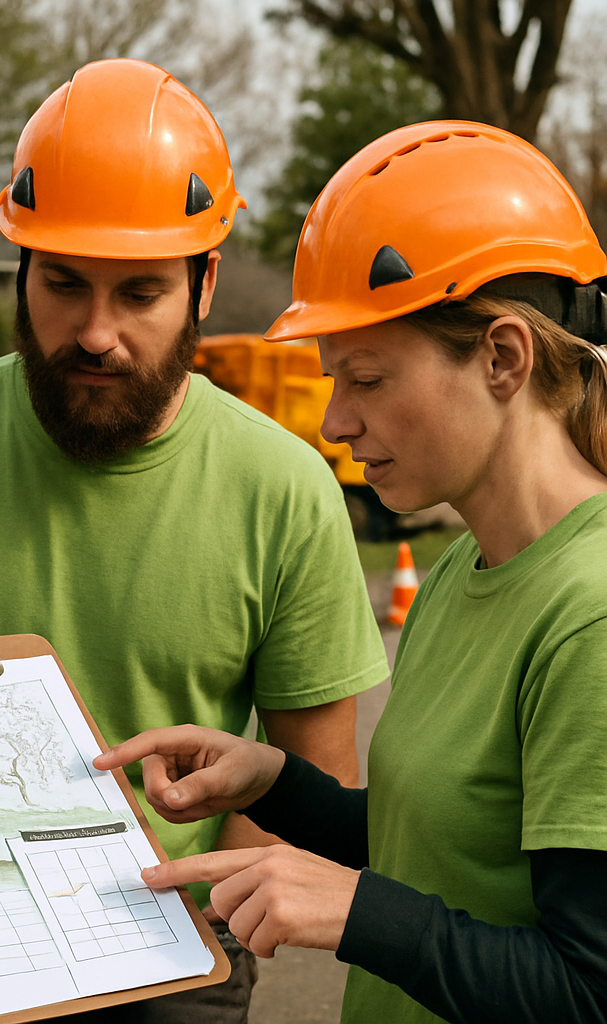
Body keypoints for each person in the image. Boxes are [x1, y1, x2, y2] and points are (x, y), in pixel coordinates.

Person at [0, 58, 388, 1024]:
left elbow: (315, 775)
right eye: (63, 283)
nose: (94, 332)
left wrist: (211, 909)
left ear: (204, 283)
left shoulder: (285, 489)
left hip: (177, 964)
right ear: (20, 270)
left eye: (139, 292)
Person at [94, 120, 607, 1024]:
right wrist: (274, 785)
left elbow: (586, 992)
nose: (334, 421)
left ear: (502, 358)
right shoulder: (462, 572)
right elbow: (444, 849)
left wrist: (358, 913)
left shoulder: (590, 618)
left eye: (365, 379)